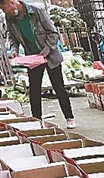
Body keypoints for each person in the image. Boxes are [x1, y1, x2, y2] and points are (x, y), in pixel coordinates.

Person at [1, 0, 75, 128]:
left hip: (50, 56)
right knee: (34, 89)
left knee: (58, 87)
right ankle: (37, 120)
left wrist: (45, 51)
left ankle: (69, 117)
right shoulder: (10, 18)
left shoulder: (36, 11)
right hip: (33, 58)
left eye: (8, 10)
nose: (9, 14)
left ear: (12, 3)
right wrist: (14, 50)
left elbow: (53, 33)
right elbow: (13, 37)